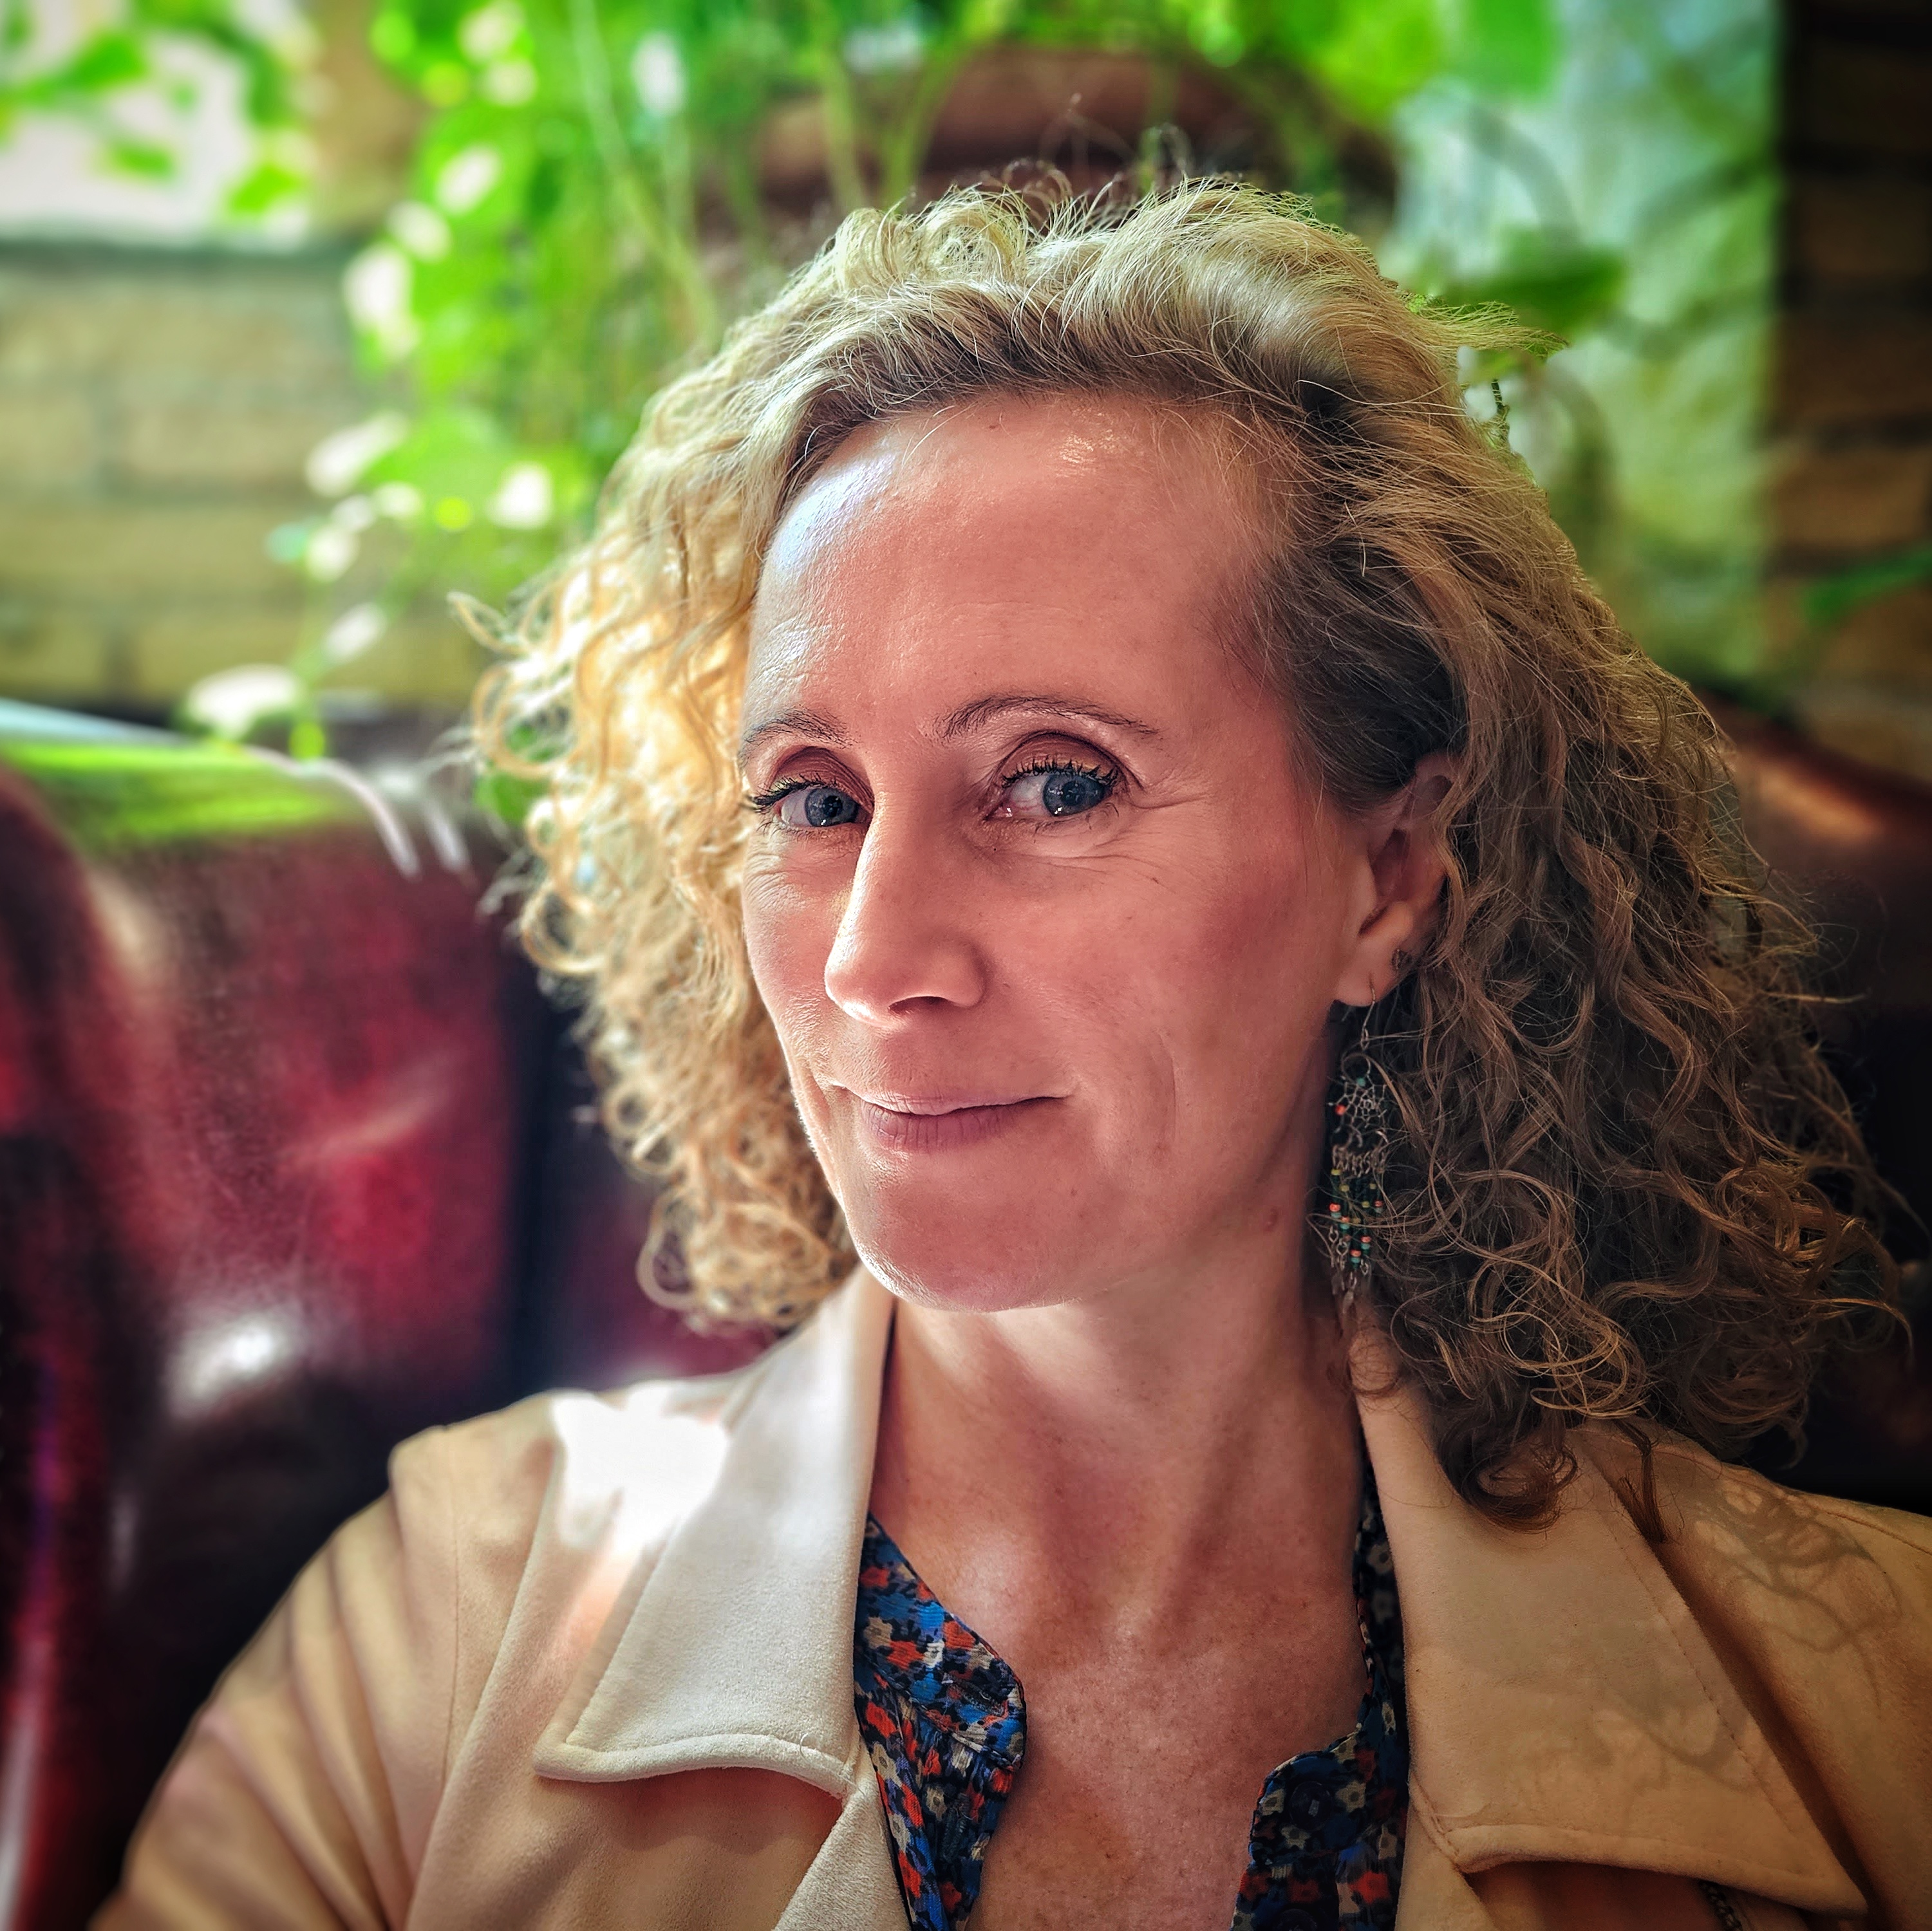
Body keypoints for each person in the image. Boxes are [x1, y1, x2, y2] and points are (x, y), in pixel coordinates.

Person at [100, 185, 1931, 1931]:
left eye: (1055, 784)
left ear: (1387, 877)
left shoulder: (1877, 1700)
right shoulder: (436, 1635)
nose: (871, 958)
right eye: (812, 800)